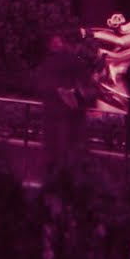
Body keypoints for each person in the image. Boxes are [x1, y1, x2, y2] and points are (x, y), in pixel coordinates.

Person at [37, 33, 97, 171]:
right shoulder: (75, 62)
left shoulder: (50, 63)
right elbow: (87, 87)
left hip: (54, 115)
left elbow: (42, 85)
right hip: (71, 116)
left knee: (54, 152)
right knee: (69, 150)